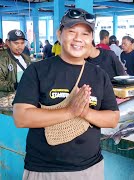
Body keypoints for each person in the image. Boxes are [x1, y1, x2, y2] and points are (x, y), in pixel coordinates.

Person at [12, 8, 119, 179]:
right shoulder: (37, 71)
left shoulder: (99, 75)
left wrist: (85, 112)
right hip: (44, 170)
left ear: (91, 39)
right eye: (71, 32)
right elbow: (21, 117)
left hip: (91, 169)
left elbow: (112, 118)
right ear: (59, 33)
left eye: (85, 34)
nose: (78, 39)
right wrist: (70, 111)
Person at [0, 29, 31, 98]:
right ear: (8, 42)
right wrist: (15, 85)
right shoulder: (3, 60)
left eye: (22, 43)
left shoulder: (27, 59)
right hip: (7, 99)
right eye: (16, 43)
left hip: (25, 97)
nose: (20, 46)